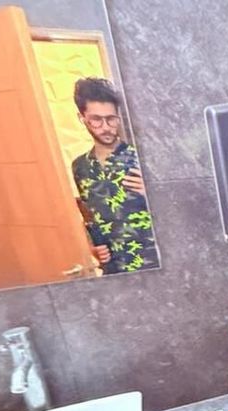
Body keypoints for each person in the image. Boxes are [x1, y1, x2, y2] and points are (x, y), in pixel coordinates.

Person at [71, 77, 158, 275]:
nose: (105, 127)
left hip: (154, 267)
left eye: (111, 119)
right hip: (114, 273)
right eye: (96, 119)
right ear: (82, 117)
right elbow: (90, 217)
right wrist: (93, 248)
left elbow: (181, 213)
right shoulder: (80, 167)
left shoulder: (143, 159)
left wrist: (154, 194)